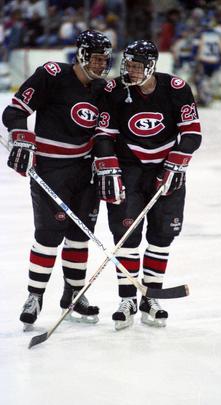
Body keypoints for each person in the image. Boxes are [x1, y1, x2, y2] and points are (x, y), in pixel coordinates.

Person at [2, 30, 112, 331]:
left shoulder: (103, 89)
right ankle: (34, 296)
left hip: (85, 172)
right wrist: (22, 138)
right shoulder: (51, 75)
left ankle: (74, 295)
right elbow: (14, 112)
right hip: (50, 170)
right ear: (81, 55)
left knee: (79, 235)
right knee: (49, 235)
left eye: (106, 59)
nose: (103, 64)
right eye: (97, 58)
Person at [93, 40, 202, 330]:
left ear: (152, 65)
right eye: (128, 65)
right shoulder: (114, 90)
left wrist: (176, 162)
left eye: (137, 66)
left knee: (162, 235)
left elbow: (192, 133)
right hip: (128, 170)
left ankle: (151, 296)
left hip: (167, 169)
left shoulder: (176, 88)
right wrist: (109, 167)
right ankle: (127, 298)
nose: (131, 70)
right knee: (126, 234)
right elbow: (104, 134)